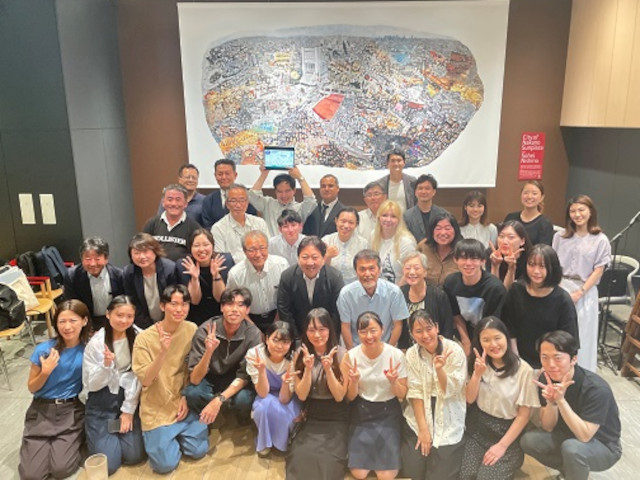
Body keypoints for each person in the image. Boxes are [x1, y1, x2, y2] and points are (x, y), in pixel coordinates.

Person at [520, 331, 622, 480]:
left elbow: (584, 436)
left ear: (573, 359)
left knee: (573, 449)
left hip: (603, 445)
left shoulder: (595, 388)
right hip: (568, 435)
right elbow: (548, 427)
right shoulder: (545, 379)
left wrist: (561, 401)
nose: (551, 364)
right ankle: (570, 472)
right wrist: (552, 403)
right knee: (529, 441)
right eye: (544, 357)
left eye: (558, 358)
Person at [132, 284, 208, 474]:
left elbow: (192, 370)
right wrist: (162, 352)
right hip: (157, 405)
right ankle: (165, 438)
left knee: (199, 451)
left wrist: (186, 396)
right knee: (165, 465)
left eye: (184, 304)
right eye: (174, 304)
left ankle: (177, 436)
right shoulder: (144, 338)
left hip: (182, 401)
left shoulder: (191, 328)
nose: (179, 309)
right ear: (162, 306)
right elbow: (146, 380)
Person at [18, 300, 91, 480]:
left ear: (84, 321)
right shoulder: (44, 350)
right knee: (31, 475)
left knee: (62, 469)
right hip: (42, 409)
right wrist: (45, 372)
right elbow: (32, 387)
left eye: (73, 321)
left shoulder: (88, 349)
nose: (67, 327)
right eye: (62, 321)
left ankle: (76, 440)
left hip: (70, 409)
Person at [460, 316, 539, 480]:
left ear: (506, 338)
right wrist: (476, 375)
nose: (493, 344)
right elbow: (469, 399)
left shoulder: (524, 370)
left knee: (486, 477)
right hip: (478, 429)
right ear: (479, 342)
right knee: (466, 475)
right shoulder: (477, 363)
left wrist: (502, 446)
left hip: (506, 434)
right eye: (486, 340)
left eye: (497, 338)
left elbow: (524, 415)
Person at [81, 295, 145, 475]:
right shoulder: (96, 344)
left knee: (134, 456)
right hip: (101, 402)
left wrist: (128, 411)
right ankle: (96, 436)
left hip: (128, 397)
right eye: (119, 315)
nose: (124, 320)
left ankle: (115, 435)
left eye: (129, 316)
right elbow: (91, 385)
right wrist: (106, 366)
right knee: (109, 465)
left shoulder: (139, 336)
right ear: (108, 314)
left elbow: (138, 376)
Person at [401, 310, 467, 480]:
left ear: (437, 328)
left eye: (429, 328)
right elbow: (415, 392)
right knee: (413, 472)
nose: (425, 335)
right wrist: (423, 430)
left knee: (439, 476)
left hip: (448, 411)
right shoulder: (412, 353)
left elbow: (452, 390)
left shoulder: (454, 350)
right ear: (412, 334)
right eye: (418, 331)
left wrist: (439, 370)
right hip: (420, 413)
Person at [286, 308, 350, 479]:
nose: (317, 335)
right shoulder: (299, 355)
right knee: (299, 459)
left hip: (337, 416)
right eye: (311, 330)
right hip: (312, 415)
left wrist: (328, 370)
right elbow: (301, 395)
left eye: (322, 329)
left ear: (330, 329)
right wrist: (307, 369)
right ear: (305, 332)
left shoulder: (342, 355)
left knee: (328, 463)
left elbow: (339, 396)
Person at [184, 287, 262, 426]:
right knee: (192, 393)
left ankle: (240, 421)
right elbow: (195, 379)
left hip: (235, 378)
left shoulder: (253, 334)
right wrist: (209, 351)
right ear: (221, 307)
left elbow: (244, 376)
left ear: (247, 310)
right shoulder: (205, 330)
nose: (234, 309)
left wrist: (219, 399)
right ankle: (205, 420)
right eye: (230, 304)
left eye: (240, 305)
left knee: (244, 399)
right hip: (209, 377)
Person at [343, 311, 408, 480]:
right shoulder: (350, 356)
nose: (369, 336)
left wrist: (393, 382)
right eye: (363, 331)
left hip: (388, 412)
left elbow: (402, 394)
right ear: (357, 333)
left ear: (382, 329)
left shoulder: (396, 355)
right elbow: (349, 397)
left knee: (387, 475)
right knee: (359, 473)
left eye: (373, 330)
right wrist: (354, 382)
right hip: (362, 411)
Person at [553, 194, 611, 372]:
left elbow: (599, 269)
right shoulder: (560, 236)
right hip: (561, 287)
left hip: (585, 289)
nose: (577, 214)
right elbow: (553, 264)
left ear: (590, 212)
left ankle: (581, 373)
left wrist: (579, 292)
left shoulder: (600, 239)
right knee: (558, 332)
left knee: (583, 334)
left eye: (581, 210)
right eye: (573, 211)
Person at [501, 244, 578, 368]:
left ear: (552, 268)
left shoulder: (563, 300)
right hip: (517, 359)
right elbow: (509, 328)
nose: (536, 271)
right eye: (531, 265)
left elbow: (569, 341)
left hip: (551, 364)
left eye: (542, 266)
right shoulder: (516, 290)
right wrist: (517, 361)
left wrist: (547, 366)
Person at [245, 321, 300, 457]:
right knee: (262, 408)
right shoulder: (255, 354)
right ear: (266, 338)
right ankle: (264, 442)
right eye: (275, 340)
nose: (279, 346)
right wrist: (261, 371)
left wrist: (285, 383)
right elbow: (263, 393)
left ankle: (282, 442)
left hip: (287, 395)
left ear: (291, 343)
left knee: (284, 413)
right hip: (265, 392)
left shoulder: (294, 358)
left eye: (285, 342)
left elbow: (284, 399)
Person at [443, 239, 506, 356]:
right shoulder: (450, 282)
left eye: (474, 258)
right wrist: (466, 341)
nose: (468, 263)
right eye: (463, 258)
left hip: (489, 334)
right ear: (455, 260)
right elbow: (455, 315)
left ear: (483, 261)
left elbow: (493, 322)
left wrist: (477, 345)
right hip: (462, 333)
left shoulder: (495, 288)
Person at [338, 249, 409, 349]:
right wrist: (352, 353)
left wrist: (387, 351)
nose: (367, 274)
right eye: (362, 269)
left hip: (385, 346)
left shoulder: (394, 292)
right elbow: (345, 326)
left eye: (371, 268)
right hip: (357, 348)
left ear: (379, 270)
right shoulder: (346, 294)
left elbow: (398, 325)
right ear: (356, 272)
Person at [277, 236, 344, 338]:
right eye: (305, 257)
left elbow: (336, 313)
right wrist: (296, 338)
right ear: (298, 258)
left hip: (326, 335)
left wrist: (328, 338)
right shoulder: (287, 276)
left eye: (315, 257)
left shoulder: (334, 277)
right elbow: (285, 311)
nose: (310, 262)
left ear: (323, 258)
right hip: (298, 333)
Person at [226, 230, 289, 333]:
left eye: (262, 248)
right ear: (244, 251)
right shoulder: (235, 274)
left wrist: (277, 323)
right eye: (252, 250)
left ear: (268, 247)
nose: (258, 254)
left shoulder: (282, 265)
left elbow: (287, 297)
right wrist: (254, 330)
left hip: (279, 315)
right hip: (248, 320)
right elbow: (234, 305)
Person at [64, 236, 124, 331]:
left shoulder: (119, 275)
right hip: (86, 322)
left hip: (114, 321)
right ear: (81, 259)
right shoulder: (72, 276)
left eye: (97, 259)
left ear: (106, 259)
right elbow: (73, 306)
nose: (92, 264)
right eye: (88, 259)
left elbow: (123, 305)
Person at [122, 233, 181, 329]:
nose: (142, 256)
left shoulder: (170, 269)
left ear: (155, 251)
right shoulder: (129, 273)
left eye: (145, 251)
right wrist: (150, 328)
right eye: (136, 253)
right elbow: (133, 304)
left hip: (170, 321)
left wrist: (165, 325)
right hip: (144, 325)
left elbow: (173, 301)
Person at [177, 228, 234, 325]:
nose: (201, 249)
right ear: (190, 248)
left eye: (206, 244)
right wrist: (194, 278)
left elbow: (221, 298)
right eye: (196, 245)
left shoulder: (225, 260)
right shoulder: (184, 265)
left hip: (221, 312)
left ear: (213, 246)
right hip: (195, 314)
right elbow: (195, 301)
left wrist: (216, 275)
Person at [398, 252, 453, 349]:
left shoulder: (438, 295)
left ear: (425, 271)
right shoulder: (400, 294)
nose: (412, 272)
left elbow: (447, 328)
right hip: (408, 349)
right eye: (407, 268)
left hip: (435, 349)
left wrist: (441, 350)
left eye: (416, 268)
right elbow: (399, 327)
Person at [249, 165, 316, 236]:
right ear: (275, 192)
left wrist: (300, 178)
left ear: (294, 190)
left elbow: (311, 201)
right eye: (280, 192)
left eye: (287, 191)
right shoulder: (268, 204)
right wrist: (263, 175)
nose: (284, 195)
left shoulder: (300, 208)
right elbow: (252, 196)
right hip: (271, 242)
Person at [142, 183, 202, 262]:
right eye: (170, 199)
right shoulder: (152, 224)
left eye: (178, 200)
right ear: (163, 202)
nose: (173, 204)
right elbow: (142, 249)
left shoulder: (194, 227)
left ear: (185, 204)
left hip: (181, 268)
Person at [211, 183, 269, 263]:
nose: (238, 205)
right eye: (233, 201)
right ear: (227, 204)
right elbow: (221, 259)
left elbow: (268, 250)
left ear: (247, 202)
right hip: (232, 269)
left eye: (242, 200)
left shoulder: (260, 223)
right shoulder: (218, 228)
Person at [200, 158, 257, 229]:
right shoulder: (208, 200)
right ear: (215, 175)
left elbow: (252, 221)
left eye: (227, 174)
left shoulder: (247, 197)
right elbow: (207, 227)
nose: (224, 177)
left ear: (235, 175)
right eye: (220, 174)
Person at [372, 200, 417, 284]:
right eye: (384, 215)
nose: (388, 219)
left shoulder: (406, 242)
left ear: (399, 220)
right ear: (378, 217)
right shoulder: (373, 236)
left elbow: (409, 272)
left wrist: (396, 291)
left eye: (393, 216)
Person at [323, 207, 369, 284]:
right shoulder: (326, 240)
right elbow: (318, 269)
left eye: (351, 222)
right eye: (343, 221)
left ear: (356, 224)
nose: (346, 225)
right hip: (330, 286)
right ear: (336, 221)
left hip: (354, 286)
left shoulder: (363, 244)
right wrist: (328, 256)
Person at [417, 212, 462, 286]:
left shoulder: (462, 250)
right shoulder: (424, 246)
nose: (443, 233)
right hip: (427, 292)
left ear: (455, 230)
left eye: (447, 228)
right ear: (432, 231)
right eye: (438, 228)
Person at [504, 180, 554, 245]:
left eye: (534, 193)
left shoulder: (545, 223)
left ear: (542, 197)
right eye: (526, 193)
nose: (529, 196)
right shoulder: (510, 217)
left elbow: (543, 250)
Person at [403, 174, 448, 243]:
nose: (423, 192)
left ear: (434, 192)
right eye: (420, 188)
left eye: (427, 188)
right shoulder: (407, 216)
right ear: (415, 192)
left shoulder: (443, 214)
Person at [488, 220, 532, 289]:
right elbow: (494, 291)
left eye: (511, 237)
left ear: (522, 241)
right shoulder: (490, 254)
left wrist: (511, 268)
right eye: (501, 236)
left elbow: (509, 291)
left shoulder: (530, 259)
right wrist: (495, 266)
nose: (504, 241)